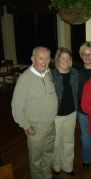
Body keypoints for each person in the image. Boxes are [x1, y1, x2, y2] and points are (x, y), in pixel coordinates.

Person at [11, 46, 58, 179]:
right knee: (36, 159)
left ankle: (47, 175)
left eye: (47, 58)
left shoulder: (48, 72)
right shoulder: (24, 79)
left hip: (50, 124)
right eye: (41, 59)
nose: (45, 62)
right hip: (35, 127)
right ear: (33, 59)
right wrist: (26, 125)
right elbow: (16, 107)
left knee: (48, 153)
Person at [51, 47, 79, 176]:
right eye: (62, 57)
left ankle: (68, 166)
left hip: (71, 113)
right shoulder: (51, 74)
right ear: (57, 59)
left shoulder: (75, 73)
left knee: (68, 141)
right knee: (56, 143)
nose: (65, 60)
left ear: (71, 60)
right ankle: (56, 167)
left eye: (68, 58)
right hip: (56, 115)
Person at [77, 41, 91, 169]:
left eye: (90, 54)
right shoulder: (76, 71)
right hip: (82, 111)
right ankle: (86, 159)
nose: (87, 56)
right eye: (85, 54)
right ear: (81, 55)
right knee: (85, 137)